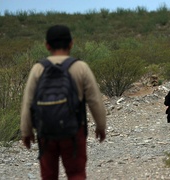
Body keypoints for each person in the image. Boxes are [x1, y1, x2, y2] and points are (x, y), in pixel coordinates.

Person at [20, 25, 107, 180]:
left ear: (47, 45)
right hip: (73, 132)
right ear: (71, 43)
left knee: (48, 175)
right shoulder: (80, 68)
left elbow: (28, 103)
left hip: (45, 132)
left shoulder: (38, 69)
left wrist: (26, 132)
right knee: (76, 174)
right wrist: (101, 127)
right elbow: (95, 101)